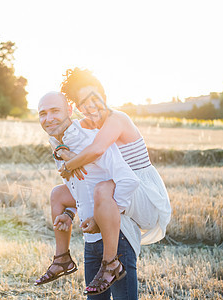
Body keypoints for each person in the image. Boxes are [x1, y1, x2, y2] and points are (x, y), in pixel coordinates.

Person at [36, 68, 172, 298]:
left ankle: (111, 262)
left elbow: (96, 150)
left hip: (141, 190)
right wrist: (60, 149)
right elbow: (68, 144)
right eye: (82, 103)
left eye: (94, 98)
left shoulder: (117, 118)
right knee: (59, 194)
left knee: (102, 188)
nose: (90, 106)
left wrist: (68, 163)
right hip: (115, 187)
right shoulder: (87, 126)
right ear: (77, 108)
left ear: (103, 95)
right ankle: (62, 257)